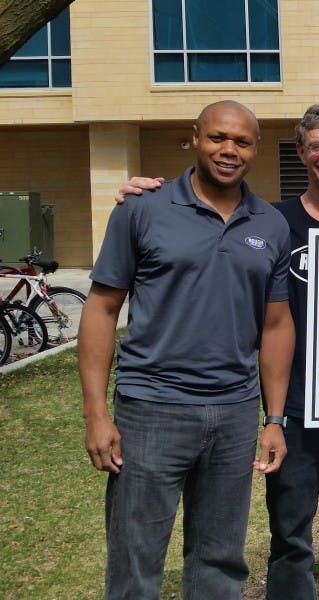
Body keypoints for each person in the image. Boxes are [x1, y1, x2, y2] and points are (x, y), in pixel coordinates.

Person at [116, 102, 319, 600]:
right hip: (291, 406)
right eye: (317, 146)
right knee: (289, 530)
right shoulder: (272, 221)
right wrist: (140, 193)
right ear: (300, 153)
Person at [80, 100, 295, 600]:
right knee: (135, 561)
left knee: (220, 561)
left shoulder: (269, 224)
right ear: (195, 136)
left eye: (242, 142)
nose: (229, 150)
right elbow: (102, 308)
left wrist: (273, 419)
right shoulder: (142, 208)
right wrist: (95, 412)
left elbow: (276, 324)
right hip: (151, 409)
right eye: (218, 137)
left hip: (234, 412)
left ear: (256, 149)